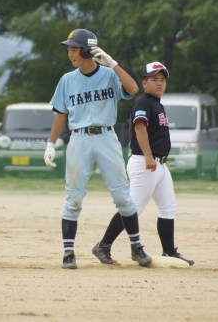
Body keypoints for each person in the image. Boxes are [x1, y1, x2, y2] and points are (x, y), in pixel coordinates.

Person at [45, 29, 152, 269]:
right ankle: (68, 253)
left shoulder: (109, 74)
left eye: (74, 49)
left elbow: (133, 89)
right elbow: (60, 114)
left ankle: (136, 247)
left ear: (87, 50)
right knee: (73, 199)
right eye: (69, 49)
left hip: (106, 137)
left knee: (123, 196)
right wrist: (50, 143)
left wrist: (112, 64)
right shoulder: (67, 80)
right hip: (79, 139)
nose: (70, 54)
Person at [92, 62, 194, 266]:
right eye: (154, 80)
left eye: (162, 80)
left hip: (159, 165)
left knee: (168, 208)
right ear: (144, 83)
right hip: (144, 162)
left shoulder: (157, 104)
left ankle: (169, 252)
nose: (159, 83)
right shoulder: (143, 103)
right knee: (133, 208)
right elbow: (140, 129)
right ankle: (103, 246)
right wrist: (148, 156)